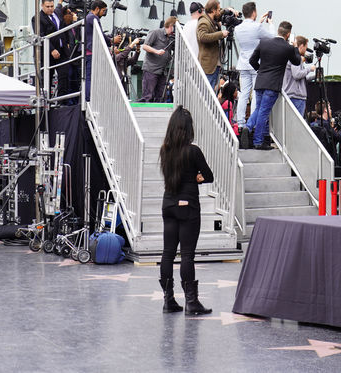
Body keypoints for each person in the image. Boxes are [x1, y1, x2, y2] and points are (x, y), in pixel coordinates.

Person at [158, 106, 213, 315]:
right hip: (188, 206)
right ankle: (191, 302)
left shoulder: (165, 150)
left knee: (167, 254)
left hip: (168, 204)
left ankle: (168, 300)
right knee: (187, 255)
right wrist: (197, 177)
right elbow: (208, 175)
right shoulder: (193, 151)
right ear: (188, 129)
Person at [242, 21, 301, 150]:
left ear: (279, 31)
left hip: (260, 82)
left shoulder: (264, 42)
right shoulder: (288, 48)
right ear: (288, 34)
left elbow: (252, 60)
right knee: (264, 112)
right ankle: (258, 141)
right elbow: (297, 61)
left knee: (259, 109)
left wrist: (260, 70)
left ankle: (247, 127)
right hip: (273, 85)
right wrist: (295, 46)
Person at [234, 2, 274, 132]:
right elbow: (271, 38)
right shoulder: (257, 27)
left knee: (244, 94)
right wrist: (270, 24)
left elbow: (252, 35)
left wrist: (259, 23)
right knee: (256, 95)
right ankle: (253, 122)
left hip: (243, 63)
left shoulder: (237, 28)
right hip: (256, 64)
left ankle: (240, 123)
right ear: (254, 12)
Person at [84, 1, 121, 101]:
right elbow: (100, 35)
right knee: (90, 77)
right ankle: (89, 99)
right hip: (92, 52)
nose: (104, 14)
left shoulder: (88, 17)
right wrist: (112, 41)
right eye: (103, 11)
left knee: (89, 77)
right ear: (97, 9)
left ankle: (89, 98)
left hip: (89, 51)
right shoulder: (93, 17)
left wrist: (110, 39)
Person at [31, 0, 68, 99]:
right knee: (47, 78)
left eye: (52, 6)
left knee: (64, 75)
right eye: (47, 6)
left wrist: (67, 43)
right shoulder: (37, 18)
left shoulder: (57, 13)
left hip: (62, 51)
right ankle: (47, 102)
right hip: (47, 53)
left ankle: (61, 101)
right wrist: (51, 50)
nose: (50, 8)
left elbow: (63, 29)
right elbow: (41, 36)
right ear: (42, 5)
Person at [139, 16, 177, 103]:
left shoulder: (171, 38)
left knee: (161, 97)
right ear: (171, 26)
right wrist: (156, 51)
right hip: (151, 69)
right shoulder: (155, 33)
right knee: (148, 96)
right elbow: (145, 46)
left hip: (162, 71)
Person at [197, 0, 229, 91]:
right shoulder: (204, 21)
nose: (220, 12)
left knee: (211, 91)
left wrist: (228, 10)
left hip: (214, 64)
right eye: (218, 10)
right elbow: (202, 37)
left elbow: (218, 16)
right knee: (207, 92)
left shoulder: (211, 19)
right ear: (213, 10)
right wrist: (220, 34)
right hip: (208, 65)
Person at [283, 35, 315, 117]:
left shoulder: (291, 56)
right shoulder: (295, 57)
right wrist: (309, 69)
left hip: (293, 96)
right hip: (296, 97)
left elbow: (300, 78)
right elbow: (297, 75)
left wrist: (314, 77)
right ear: (301, 46)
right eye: (306, 47)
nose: (306, 50)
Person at [60, 4, 81, 104]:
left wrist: (76, 23)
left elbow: (78, 38)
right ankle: (68, 102)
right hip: (68, 58)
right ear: (64, 15)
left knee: (75, 83)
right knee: (68, 81)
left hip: (76, 59)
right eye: (69, 13)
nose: (72, 15)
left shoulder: (74, 26)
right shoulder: (64, 26)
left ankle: (76, 102)